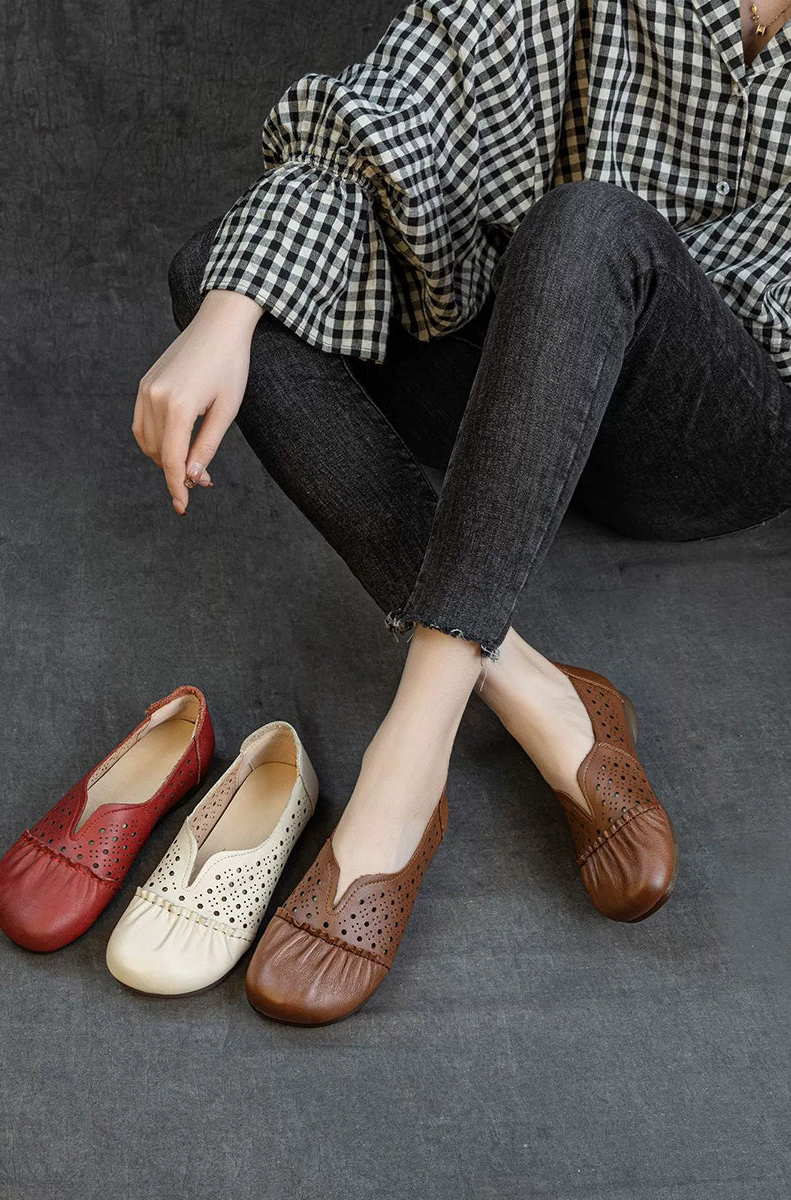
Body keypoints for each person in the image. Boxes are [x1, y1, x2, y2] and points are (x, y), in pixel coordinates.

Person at [131, 1, 791, 1024]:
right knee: (227, 278)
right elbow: (399, 99)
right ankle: (534, 692)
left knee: (594, 223)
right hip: (534, 369)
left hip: (710, 428)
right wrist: (229, 309)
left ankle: (409, 757)